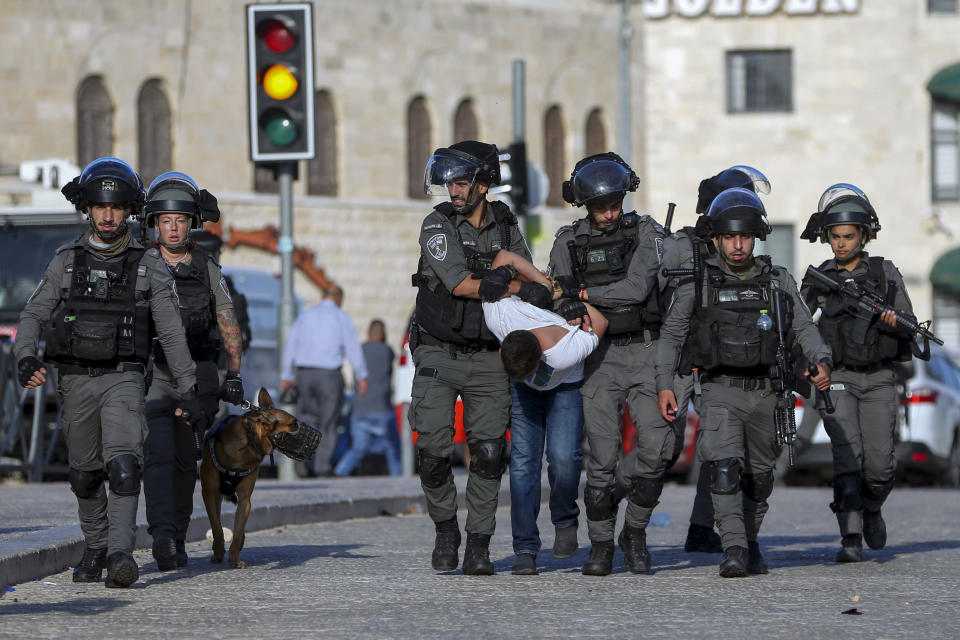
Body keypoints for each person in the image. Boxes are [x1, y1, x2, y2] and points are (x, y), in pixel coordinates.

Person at [15, 157, 207, 588]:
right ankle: (96, 546)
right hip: (76, 380)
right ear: (86, 209)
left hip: (124, 377)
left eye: (116, 207)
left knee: (123, 466)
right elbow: (33, 314)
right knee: (84, 476)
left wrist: (188, 387)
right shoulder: (66, 262)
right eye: (100, 207)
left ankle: (121, 555)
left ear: (129, 211)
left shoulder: (149, 265)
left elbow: (172, 335)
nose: (107, 215)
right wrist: (26, 357)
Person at [656, 187, 832, 577]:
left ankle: (749, 541)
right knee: (723, 467)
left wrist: (820, 359)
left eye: (745, 237)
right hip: (720, 391)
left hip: (767, 393)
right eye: (730, 237)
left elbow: (804, 327)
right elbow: (671, 337)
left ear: (756, 237)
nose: (738, 245)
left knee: (760, 479)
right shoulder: (697, 285)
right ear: (716, 238)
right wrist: (665, 384)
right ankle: (732, 548)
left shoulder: (777, 280)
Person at [410, 140, 536, 575]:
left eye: (461, 182)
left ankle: (478, 545)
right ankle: (447, 530)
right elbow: (461, 283)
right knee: (432, 451)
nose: (453, 191)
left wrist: (528, 284)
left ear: (484, 185)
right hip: (438, 350)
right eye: (449, 182)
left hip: (488, 356)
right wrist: (515, 284)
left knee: (487, 454)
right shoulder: (436, 224)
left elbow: (528, 268)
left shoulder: (505, 223)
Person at [548, 152, 668, 576]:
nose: (609, 214)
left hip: (645, 350)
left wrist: (584, 295)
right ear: (586, 206)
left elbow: (637, 289)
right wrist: (570, 298)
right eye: (600, 207)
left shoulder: (646, 231)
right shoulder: (568, 241)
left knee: (656, 451)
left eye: (615, 204)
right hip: (596, 355)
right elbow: (557, 292)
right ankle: (601, 544)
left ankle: (634, 531)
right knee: (600, 458)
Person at [799, 183, 920, 563]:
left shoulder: (885, 273)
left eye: (848, 236)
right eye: (834, 237)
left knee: (880, 466)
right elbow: (800, 325)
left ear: (864, 235)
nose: (840, 244)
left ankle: (872, 508)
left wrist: (893, 321)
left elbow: (911, 321)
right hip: (838, 379)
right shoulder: (820, 278)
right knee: (847, 458)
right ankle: (850, 537)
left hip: (880, 378)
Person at [660, 165, 772, 555]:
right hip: (679, 361)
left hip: (718, 363)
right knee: (662, 447)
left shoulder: (744, 260)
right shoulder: (676, 247)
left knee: (718, 448)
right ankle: (629, 522)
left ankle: (701, 526)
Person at [140, 171, 245, 571]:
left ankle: (178, 535)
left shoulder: (207, 268)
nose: (172, 227)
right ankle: (163, 534)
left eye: (180, 220)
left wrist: (233, 375)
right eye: (165, 220)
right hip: (155, 372)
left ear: (191, 224)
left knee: (187, 459)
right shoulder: (143, 265)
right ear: (154, 224)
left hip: (200, 373)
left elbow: (227, 322)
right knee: (158, 452)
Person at [480, 249, 606, 575]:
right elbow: (504, 257)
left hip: (564, 387)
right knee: (523, 465)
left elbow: (602, 322)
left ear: (541, 362)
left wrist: (576, 301)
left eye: (529, 372)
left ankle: (565, 519)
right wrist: (534, 283)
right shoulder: (499, 316)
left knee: (564, 459)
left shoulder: (563, 350)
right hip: (525, 396)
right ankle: (525, 548)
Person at [281, 284, 368, 477]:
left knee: (308, 418)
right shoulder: (340, 317)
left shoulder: (305, 316)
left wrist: (286, 375)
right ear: (338, 299)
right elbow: (353, 348)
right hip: (329, 375)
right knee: (329, 422)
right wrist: (361, 375)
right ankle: (322, 467)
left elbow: (291, 344)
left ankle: (302, 462)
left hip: (305, 374)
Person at [333, 319, 402, 477]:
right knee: (392, 450)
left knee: (358, 449)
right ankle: (399, 480)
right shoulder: (388, 351)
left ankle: (338, 474)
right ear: (383, 333)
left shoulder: (360, 350)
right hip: (382, 410)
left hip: (360, 409)